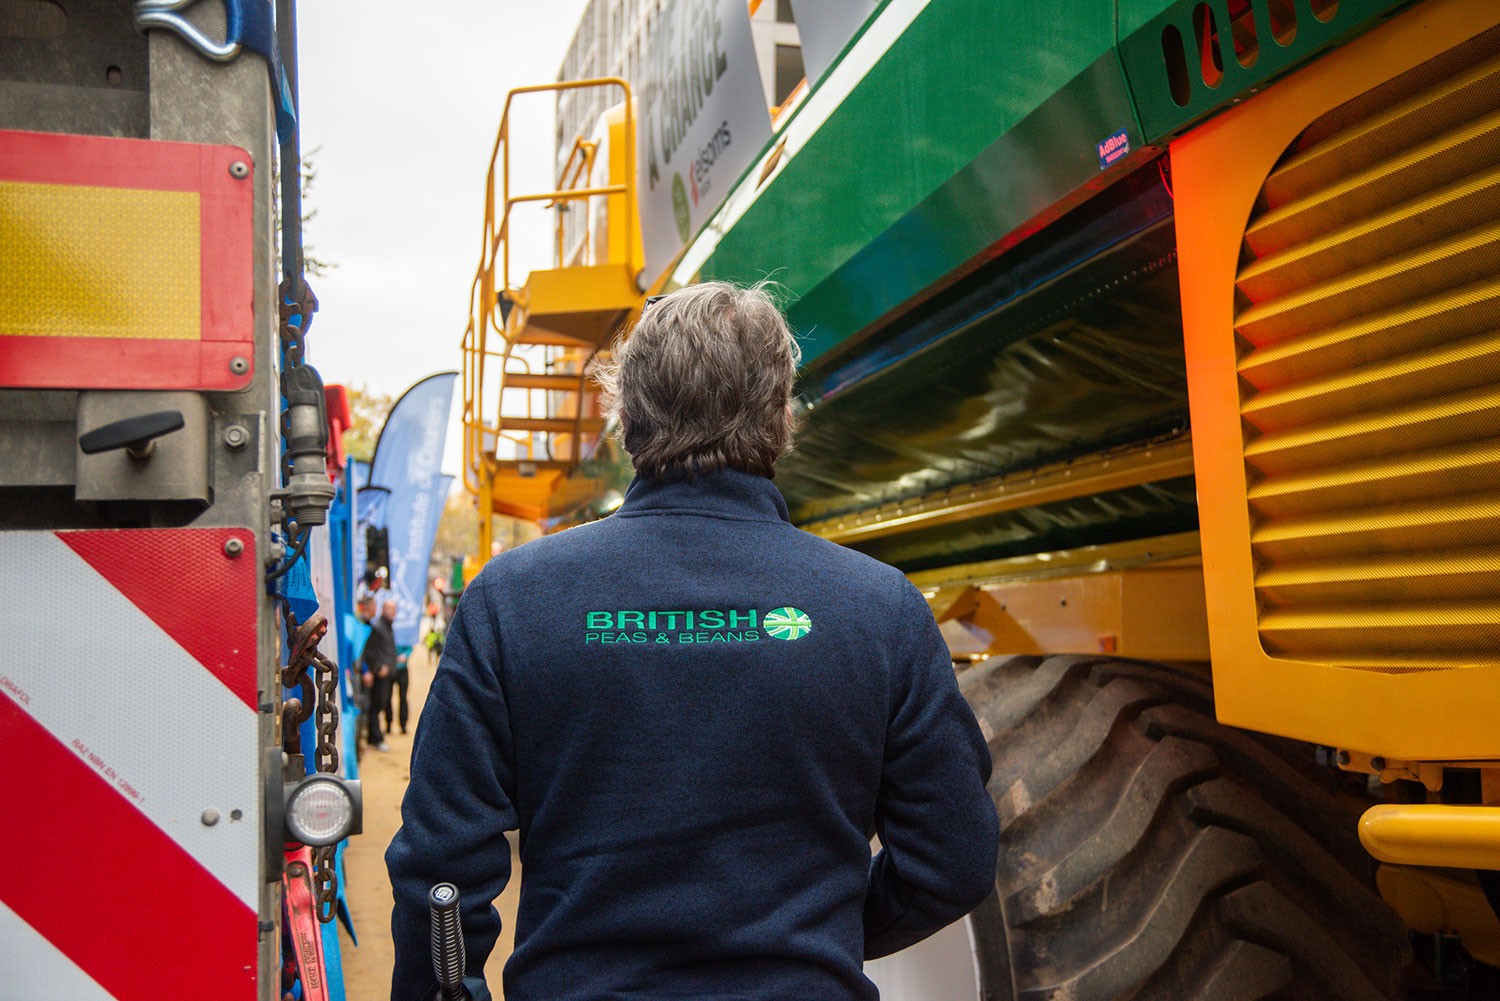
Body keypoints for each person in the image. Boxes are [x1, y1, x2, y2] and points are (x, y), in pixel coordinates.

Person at [387, 282, 998, 1000]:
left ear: (625, 415)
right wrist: (822, 934)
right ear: (781, 418)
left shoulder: (513, 600)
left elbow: (442, 867)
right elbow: (953, 856)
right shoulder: (880, 608)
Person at [361, 598, 398, 752]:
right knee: (376, 705)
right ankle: (375, 737)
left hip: (387, 672)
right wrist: (377, 667)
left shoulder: (386, 627)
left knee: (381, 703)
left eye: (394, 609)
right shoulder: (377, 627)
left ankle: (374, 736)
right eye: (389, 609)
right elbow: (370, 650)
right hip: (380, 673)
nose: (392, 612)